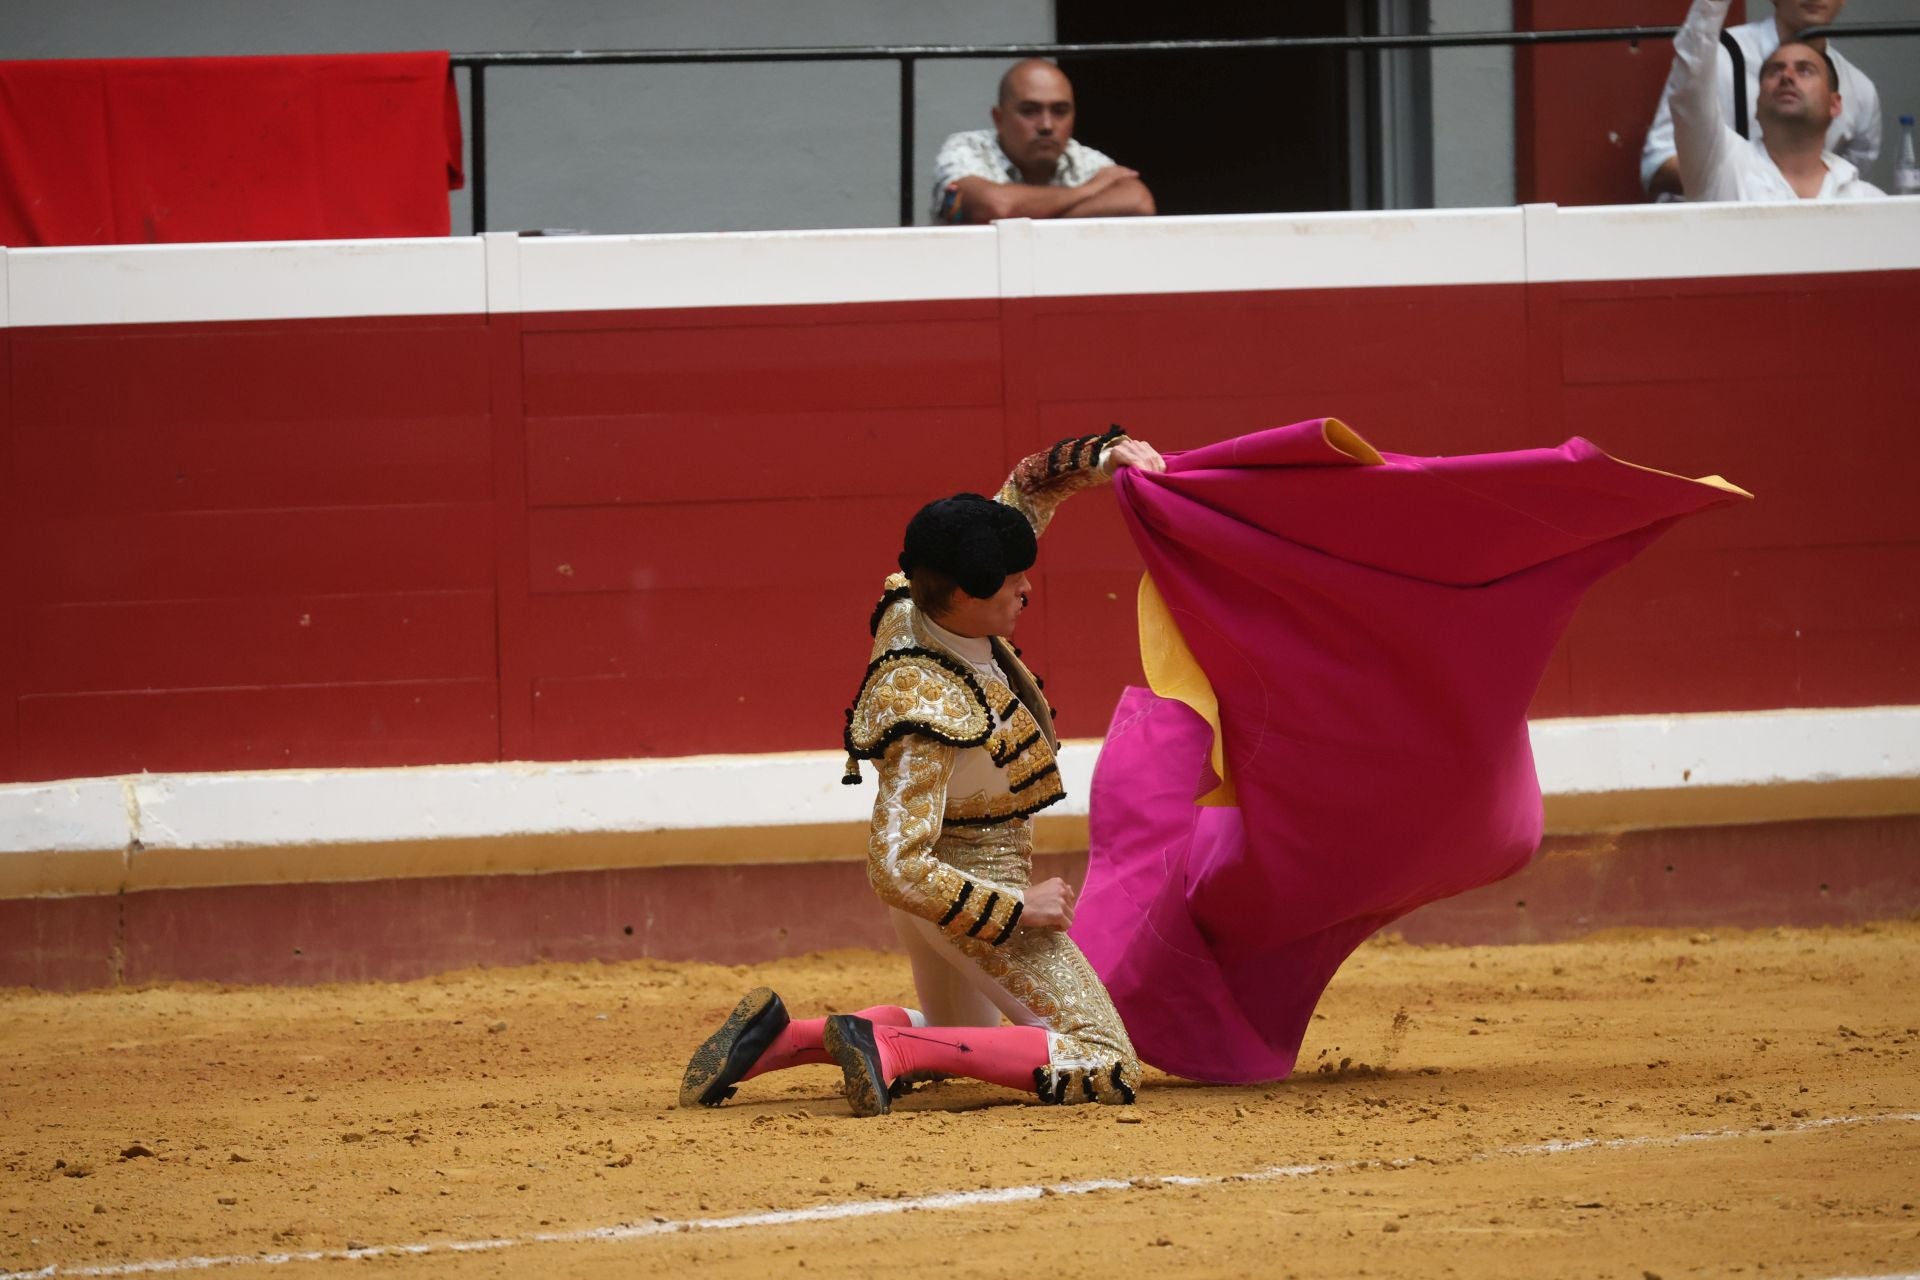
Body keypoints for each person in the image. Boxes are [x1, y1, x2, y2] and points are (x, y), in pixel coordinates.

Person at [681, 426, 1166, 1117]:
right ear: (966, 595)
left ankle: (780, 1039)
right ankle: (888, 1051)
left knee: (961, 1035)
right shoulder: (925, 706)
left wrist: (1102, 455)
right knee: (1105, 1059)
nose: (1026, 589)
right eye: (1011, 583)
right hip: (963, 890)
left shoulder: (916, 599)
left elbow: (1025, 489)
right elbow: (897, 865)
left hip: (952, 879)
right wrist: (1016, 908)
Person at [1641, 0, 1881, 200]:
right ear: (1758, 100)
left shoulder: (1861, 91)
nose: (1787, 78)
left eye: (1805, 71)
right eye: (1774, 71)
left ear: (1835, 104)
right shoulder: (1720, 56)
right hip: (1712, 233)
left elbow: (1850, 190)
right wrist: (1731, 182)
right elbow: (1659, 164)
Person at [930, 58, 1156, 225]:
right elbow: (994, 206)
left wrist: (1027, 219)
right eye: (1029, 111)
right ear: (999, 119)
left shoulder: (1079, 157)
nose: (1046, 125)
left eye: (1060, 111)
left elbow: (1138, 203)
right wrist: (1090, 190)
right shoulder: (966, 149)